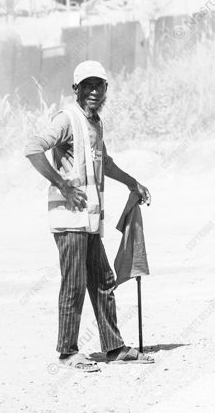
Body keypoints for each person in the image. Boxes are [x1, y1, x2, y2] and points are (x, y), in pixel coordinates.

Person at [25, 60, 153, 372]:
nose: (94, 91)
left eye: (99, 85)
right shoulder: (68, 119)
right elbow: (32, 148)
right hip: (69, 220)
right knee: (74, 283)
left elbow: (104, 162)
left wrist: (132, 182)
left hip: (90, 221)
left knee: (103, 280)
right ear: (76, 89)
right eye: (87, 85)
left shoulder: (94, 122)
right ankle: (68, 352)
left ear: (106, 89)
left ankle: (113, 347)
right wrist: (62, 184)